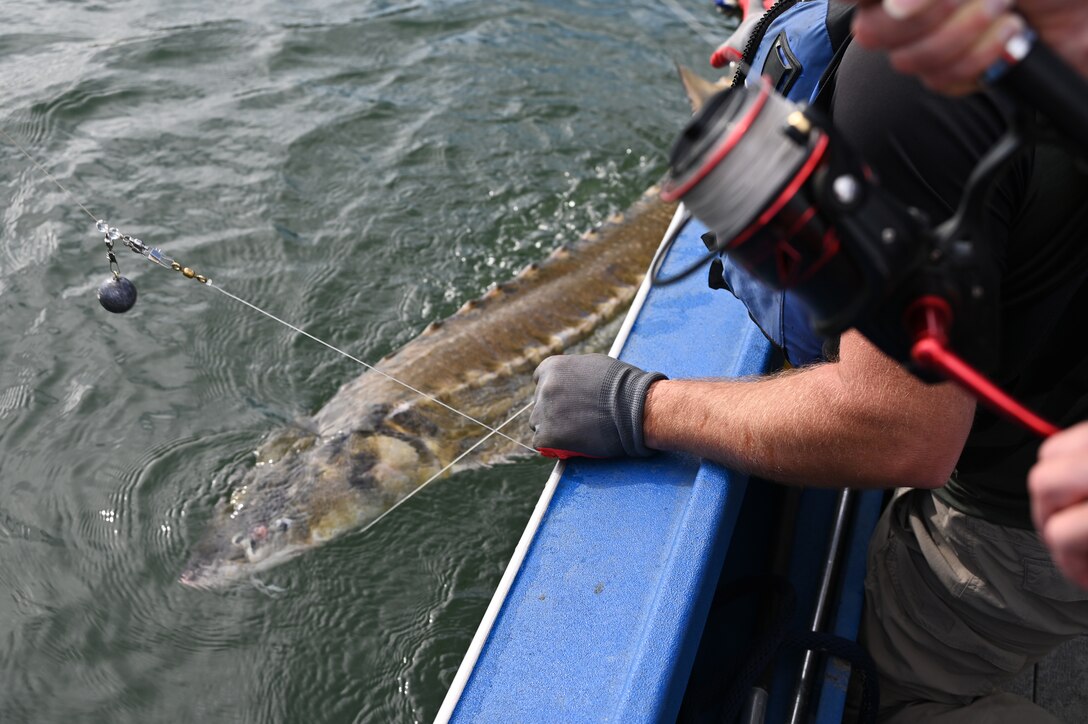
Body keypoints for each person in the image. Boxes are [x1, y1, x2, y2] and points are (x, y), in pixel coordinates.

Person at [530, 22, 1088, 724]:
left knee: (853, 696)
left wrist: (640, 407)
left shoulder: (906, 80)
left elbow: (900, 434)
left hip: (1028, 515)